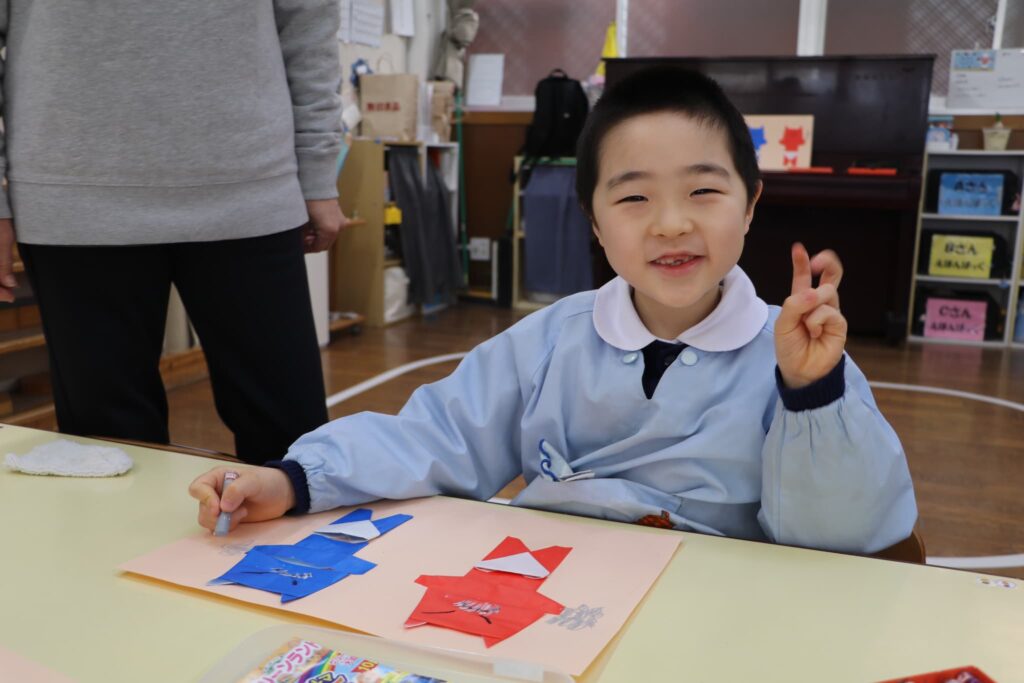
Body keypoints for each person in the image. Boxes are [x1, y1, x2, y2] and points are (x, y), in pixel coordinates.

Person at [189, 66, 918, 553]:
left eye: (703, 191)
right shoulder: (549, 340)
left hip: (711, 614)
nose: (670, 224)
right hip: (549, 593)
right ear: (594, 222)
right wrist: (295, 479)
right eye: (634, 197)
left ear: (751, 204)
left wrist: (811, 393)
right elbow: (436, 437)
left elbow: (843, 539)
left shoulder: (797, 359)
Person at [0, 1, 346, 463]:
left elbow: (308, 24)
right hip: (73, 199)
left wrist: (318, 169)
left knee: (292, 442)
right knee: (108, 455)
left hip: (250, 184)